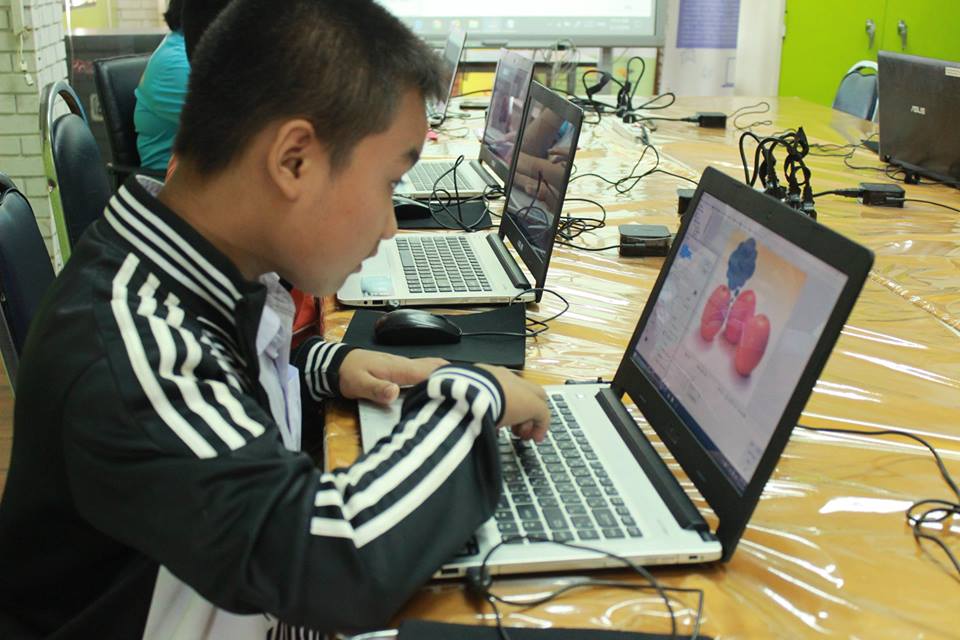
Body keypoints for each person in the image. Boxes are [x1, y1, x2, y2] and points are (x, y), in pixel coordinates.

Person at [0, 0, 550, 638]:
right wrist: (475, 396)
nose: (390, 226)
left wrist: (326, 366)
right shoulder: (132, 340)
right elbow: (323, 568)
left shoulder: (194, 266)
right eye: (388, 183)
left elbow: (221, 380)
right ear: (293, 161)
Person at [134, 0, 234, 171]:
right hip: (169, 180)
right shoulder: (176, 63)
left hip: (210, 170)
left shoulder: (186, 45)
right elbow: (236, 126)